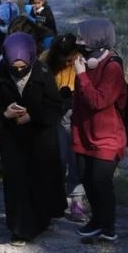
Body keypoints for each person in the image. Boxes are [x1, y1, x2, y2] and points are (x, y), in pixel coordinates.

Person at [0, 33, 65, 245]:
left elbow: (55, 106)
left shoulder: (43, 73)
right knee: (16, 184)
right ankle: (19, 229)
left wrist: (32, 116)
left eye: (22, 66)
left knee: (40, 181)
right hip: (12, 140)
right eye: (14, 67)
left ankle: (39, 221)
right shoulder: (0, 74)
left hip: (40, 138)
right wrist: (5, 114)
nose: (18, 71)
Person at [72, 19, 127, 242]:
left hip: (106, 137)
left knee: (101, 182)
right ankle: (96, 220)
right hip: (84, 134)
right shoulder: (85, 61)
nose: (78, 42)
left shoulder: (112, 67)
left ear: (96, 39)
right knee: (87, 180)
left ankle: (108, 228)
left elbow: (98, 101)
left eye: (82, 37)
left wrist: (82, 75)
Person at [43, 33, 89, 223]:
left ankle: (76, 200)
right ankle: (55, 199)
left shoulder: (83, 60)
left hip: (78, 114)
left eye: (70, 57)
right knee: (58, 157)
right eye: (64, 58)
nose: (67, 61)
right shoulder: (46, 61)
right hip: (55, 115)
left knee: (76, 158)